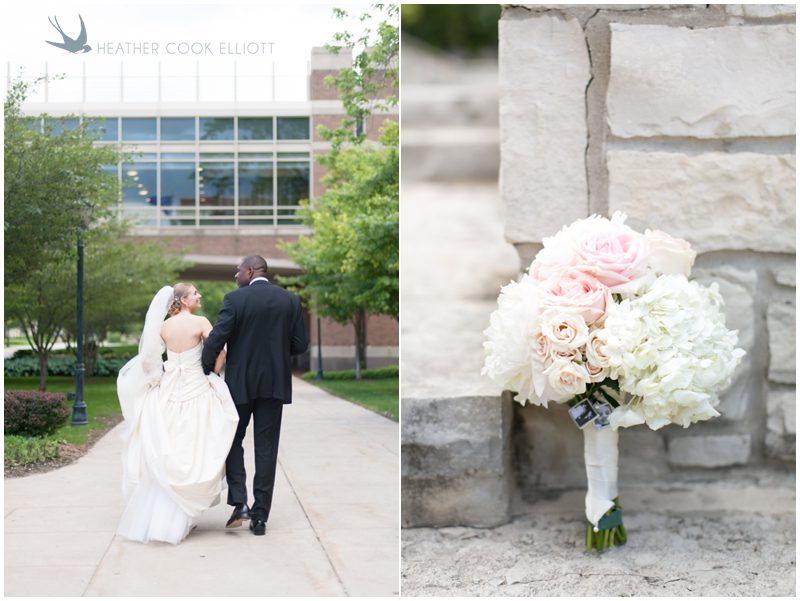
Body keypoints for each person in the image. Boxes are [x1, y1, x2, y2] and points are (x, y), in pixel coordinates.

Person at [116, 283, 239, 544]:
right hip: (197, 387)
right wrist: (214, 373)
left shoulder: (163, 327)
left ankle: (168, 514)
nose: (199, 296)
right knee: (194, 445)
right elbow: (221, 352)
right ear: (183, 300)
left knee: (169, 447)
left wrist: (159, 375)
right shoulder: (201, 322)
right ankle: (184, 510)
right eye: (195, 293)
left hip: (168, 390)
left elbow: (149, 357)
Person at [201, 255, 308, 536]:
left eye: (238, 271)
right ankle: (260, 517)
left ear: (250, 271)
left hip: (240, 385)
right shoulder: (290, 301)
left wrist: (204, 369)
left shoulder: (235, 300)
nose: (235, 276)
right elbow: (300, 344)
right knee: (267, 448)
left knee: (232, 439)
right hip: (274, 384)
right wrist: (275, 353)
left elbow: (216, 338)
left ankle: (240, 501)